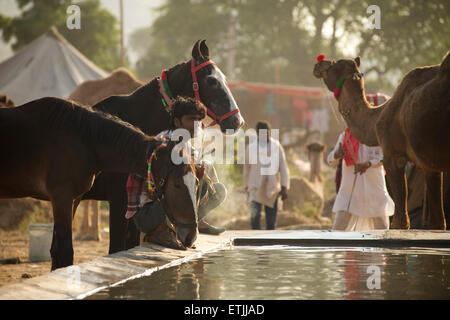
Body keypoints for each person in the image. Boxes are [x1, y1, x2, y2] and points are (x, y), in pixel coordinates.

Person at [126, 97, 227, 236]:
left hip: (168, 208)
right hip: (149, 213)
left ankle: (194, 222)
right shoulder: (164, 144)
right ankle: (168, 229)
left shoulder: (186, 145)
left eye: (199, 120)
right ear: (177, 122)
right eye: (192, 119)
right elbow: (141, 180)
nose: (197, 124)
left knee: (217, 190)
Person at [328, 128, 394, 231]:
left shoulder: (376, 136)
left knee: (382, 232)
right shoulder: (346, 136)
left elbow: (384, 157)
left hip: (374, 191)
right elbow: (331, 159)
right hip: (349, 194)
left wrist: (368, 164)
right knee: (338, 231)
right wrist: (336, 154)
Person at [243, 121, 290, 230]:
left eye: (267, 132)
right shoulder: (251, 148)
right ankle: (255, 242)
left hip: (272, 187)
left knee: (271, 220)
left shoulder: (276, 146)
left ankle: (270, 244)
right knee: (255, 217)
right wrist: (246, 186)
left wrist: (284, 187)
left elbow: (283, 168)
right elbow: (246, 168)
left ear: (269, 132)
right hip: (255, 186)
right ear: (257, 133)